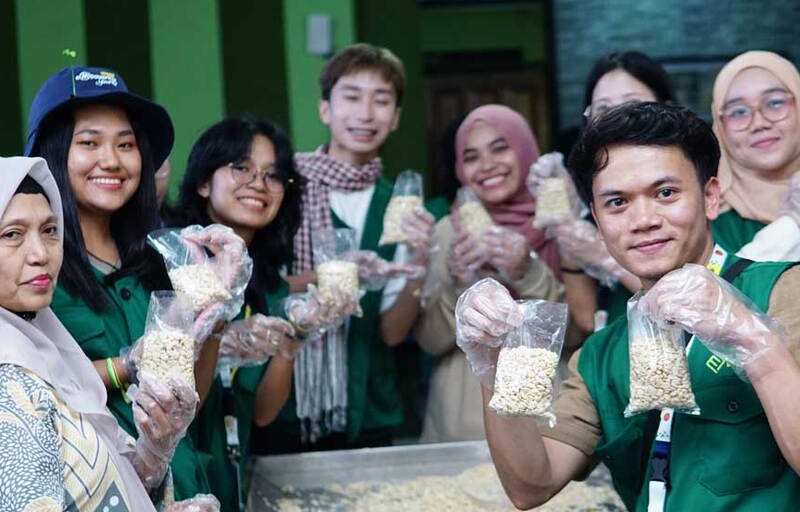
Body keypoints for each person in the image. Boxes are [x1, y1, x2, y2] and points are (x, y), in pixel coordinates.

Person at [456, 103, 800, 512]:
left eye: (665, 193)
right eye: (617, 202)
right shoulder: (603, 352)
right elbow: (531, 484)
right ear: (597, 219)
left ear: (711, 196)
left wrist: (753, 341)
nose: (643, 219)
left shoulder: (783, 292)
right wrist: (492, 367)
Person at [25, 66, 241, 509]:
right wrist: (126, 365)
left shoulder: (162, 259)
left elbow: (189, 400)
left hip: (185, 497)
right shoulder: (32, 267)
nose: (112, 160)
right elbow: (28, 393)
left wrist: (213, 315)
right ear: (53, 153)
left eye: (126, 144)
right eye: (89, 142)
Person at [0, 156, 224, 512]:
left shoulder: (45, 348)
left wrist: (153, 452)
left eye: (50, 231)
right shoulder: (8, 377)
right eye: (12, 234)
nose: (40, 254)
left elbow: (96, 489)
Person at [263, 43, 435, 451]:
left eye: (381, 101)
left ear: (395, 118)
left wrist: (421, 261)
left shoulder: (400, 207)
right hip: (285, 404)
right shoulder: (280, 189)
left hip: (367, 409)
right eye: (352, 97)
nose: (365, 113)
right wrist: (333, 275)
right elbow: (257, 290)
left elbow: (393, 334)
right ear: (326, 109)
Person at [164, 116, 318, 512]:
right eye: (241, 167)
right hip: (173, 485)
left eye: (273, 175)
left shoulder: (262, 281)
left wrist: (293, 338)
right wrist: (217, 333)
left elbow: (264, 412)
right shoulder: (175, 263)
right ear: (201, 182)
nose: (259, 183)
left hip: (231, 481)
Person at [415, 105, 563, 442]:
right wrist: (457, 285)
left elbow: (580, 332)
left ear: (525, 149)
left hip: (551, 420)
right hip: (464, 424)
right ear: (459, 170)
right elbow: (430, 342)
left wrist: (527, 270)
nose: (487, 166)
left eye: (500, 148)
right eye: (471, 157)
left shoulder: (559, 225)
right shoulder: (448, 234)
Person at [541, 51, 676, 329]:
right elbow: (586, 319)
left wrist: (603, 256)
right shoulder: (596, 197)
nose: (618, 119)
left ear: (667, 109)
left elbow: (685, 303)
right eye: (603, 109)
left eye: (633, 105)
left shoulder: (686, 189)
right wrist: (568, 225)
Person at [711, 50, 800, 261]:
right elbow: (715, 282)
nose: (759, 123)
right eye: (738, 112)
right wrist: (792, 225)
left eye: (775, 103)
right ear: (720, 126)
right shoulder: (708, 217)